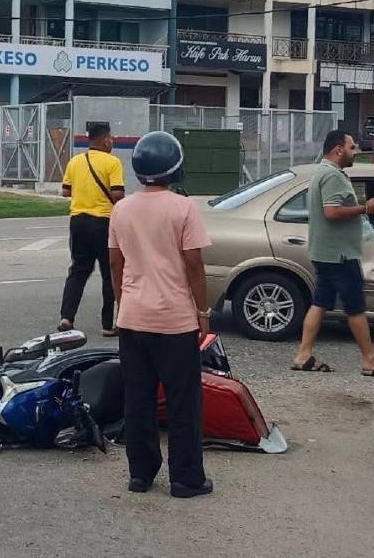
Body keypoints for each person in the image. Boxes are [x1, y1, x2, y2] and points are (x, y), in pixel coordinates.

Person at [109, 131, 214, 498]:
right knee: (183, 401)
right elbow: (195, 264)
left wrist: (124, 303)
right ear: (176, 167)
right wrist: (203, 312)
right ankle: (186, 479)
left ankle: (141, 474)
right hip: (175, 320)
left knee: (137, 400)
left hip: (133, 319)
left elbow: (115, 263)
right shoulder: (183, 208)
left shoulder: (121, 208)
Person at [291, 129, 374, 377]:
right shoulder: (332, 176)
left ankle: (303, 354)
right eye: (352, 148)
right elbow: (331, 212)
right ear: (338, 150)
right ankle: (371, 360)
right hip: (340, 254)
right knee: (355, 306)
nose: (356, 152)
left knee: (320, 303)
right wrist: (365, 208)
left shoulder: (322, 171)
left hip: (326, 251)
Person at [59, 123, 124, 336]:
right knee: (109, 273)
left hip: (78, 221)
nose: (112, 142)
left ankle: (67, 318)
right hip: (102, 223)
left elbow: (65, 192)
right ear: (105, 140)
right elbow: (117, 195)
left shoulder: (75, 161)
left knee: (78, 271)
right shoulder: (113, 162)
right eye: (111, 138)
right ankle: (107, 325)